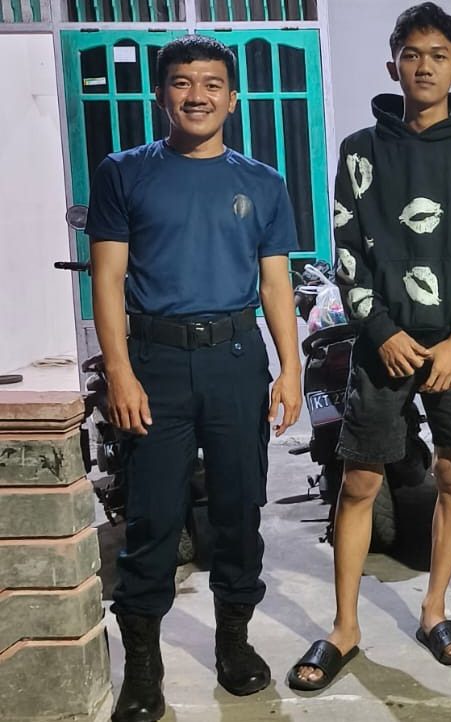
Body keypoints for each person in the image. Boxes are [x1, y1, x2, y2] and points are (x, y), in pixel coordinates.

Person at [289, 2, 451, 687]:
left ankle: (435, 609)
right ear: (394, 66)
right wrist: (381, 331)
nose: (424, 66)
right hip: (379, 342)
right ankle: (345, 627)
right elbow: (347, 250)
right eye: (411, 54)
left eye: (438, 55)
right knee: (359, 480)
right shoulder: (361, 150)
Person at [86, 35, 301, 722]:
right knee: (153, 517)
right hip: (155, 363)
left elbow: (275, 283)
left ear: (233, 98)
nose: (197, 95)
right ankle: (142, 669)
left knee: (239, 511)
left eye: (212, 84)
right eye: (183, 83)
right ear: (161, 94)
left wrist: (291, 367)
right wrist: (119, 371)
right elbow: (108, 279)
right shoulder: (124, 173)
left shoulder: (262, 181)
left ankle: (233, 642)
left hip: (236, 360)